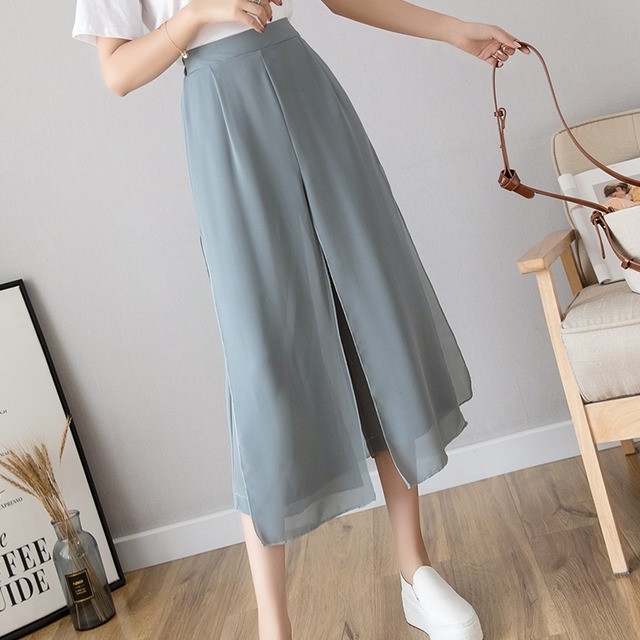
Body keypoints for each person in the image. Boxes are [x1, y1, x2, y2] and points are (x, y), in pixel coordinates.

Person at [72, 2, 525, 639]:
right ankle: (273, 623)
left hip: (304, 89)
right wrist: (198, 13)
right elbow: (117, 72)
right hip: (224, 116)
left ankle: (414, 570)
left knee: (373, 314)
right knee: (262, 357)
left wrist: (455, 31)